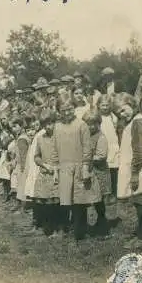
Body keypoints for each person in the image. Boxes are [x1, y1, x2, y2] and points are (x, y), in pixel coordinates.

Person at [115, 93, 142, 241]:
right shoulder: (133, 121)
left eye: (123, 109)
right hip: (135, 169)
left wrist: (134, 173)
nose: (121, 114)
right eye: (118, 112)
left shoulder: (138, 122)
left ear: (131, 104)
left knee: (140, 201)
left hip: (138, 169)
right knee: (138, 201)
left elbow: (140, 150)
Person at [53, 99, 94, 240]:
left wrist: (85, 167)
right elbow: (54, 149)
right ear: (59, 111)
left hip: (79, 166)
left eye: (69, 108)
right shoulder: (56, 127)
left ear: (74, 108)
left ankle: (80, 231)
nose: (67, 112)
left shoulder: (81, 125)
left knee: (79, 200)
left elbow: (87, 148)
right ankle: (64, 227)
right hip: (63, 168)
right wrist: (54, 168)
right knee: (64, 201)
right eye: (63, 110)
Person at [30, 110, 60, 237]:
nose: (49, 126)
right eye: (45, 124)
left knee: (56, 203)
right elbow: (36, 157)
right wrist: (43, 164)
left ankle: (59, 228)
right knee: (43, 202)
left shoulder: (60, 137)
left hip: (57, 173)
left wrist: (56, 167)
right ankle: (47, 226)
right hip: (44, 173)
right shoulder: (40, 139)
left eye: (51, 123)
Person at [82, 110, 111, 237]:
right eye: (88, 124)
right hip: (90, 171)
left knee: (99, 201)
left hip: (99, 172)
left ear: (98, 123)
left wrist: (86, 158)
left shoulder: (101, 137)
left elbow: (101, 156)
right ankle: (90, 225)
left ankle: (102, 227)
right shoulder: (85, 136)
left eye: (94, 124)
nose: (91, 127)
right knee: (90, 199)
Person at [96, 94, 121, 226]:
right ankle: (107, 193)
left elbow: (116, 129)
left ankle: (114, 193)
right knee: (105, 169)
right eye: (103, 105)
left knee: (114, 170)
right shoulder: (98, 117)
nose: (105, 107)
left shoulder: (113, 117)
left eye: (107, 105)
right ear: (98, 106)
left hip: (113, 145)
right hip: (103, 144)